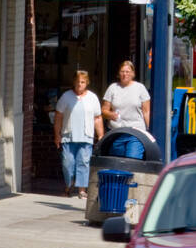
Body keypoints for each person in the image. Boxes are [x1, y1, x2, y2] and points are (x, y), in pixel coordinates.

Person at [54, 70, 103, 200]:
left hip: (86, 136)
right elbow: (58, 116)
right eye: (77, 82)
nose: (80, 84)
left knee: (84, 162)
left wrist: (101, 135)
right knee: (67, 162)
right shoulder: (66, 97)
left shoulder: (92, 97)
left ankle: (82, 190)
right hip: (68, 135)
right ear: (74, 82)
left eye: (82, 82)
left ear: (87, 83)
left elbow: (97, 118)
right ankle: (69, 185)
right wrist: (57, 135)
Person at [102, 60, 151, 159]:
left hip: (136, 132)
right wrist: (111, 115)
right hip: (117, 133)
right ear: (119, 73)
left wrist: (149, 131)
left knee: (133, 160)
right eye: (122, 71)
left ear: (133, 73)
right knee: (117, 164)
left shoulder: (140, 88)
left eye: (127, 71)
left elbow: (146, 111)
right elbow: (103, 111)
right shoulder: (112, 88)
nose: (125, 74)